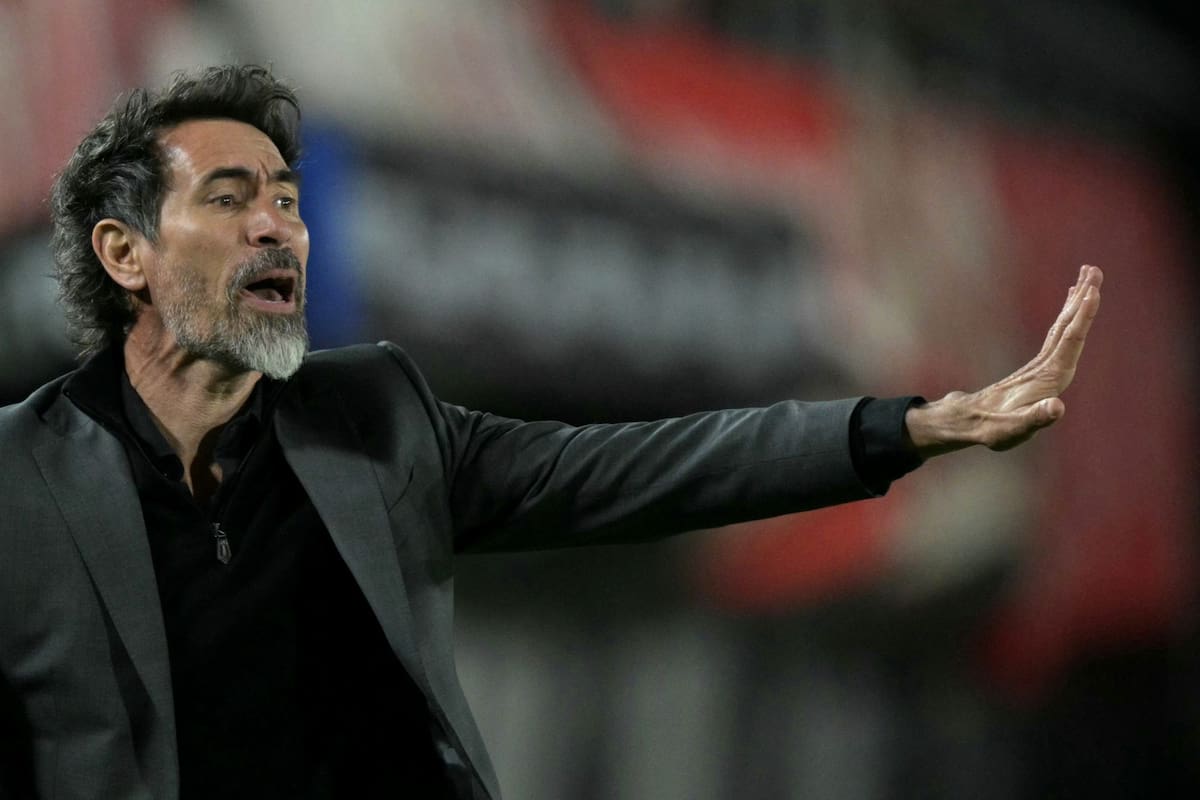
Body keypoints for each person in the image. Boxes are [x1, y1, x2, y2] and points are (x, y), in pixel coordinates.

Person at [0, 65, 1101, 800]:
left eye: (285, 198)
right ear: (124, 252)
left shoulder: (378, 421)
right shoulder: (21, 475)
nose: (275, 226)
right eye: (231, 196)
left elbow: (651, 467)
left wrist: (900, 427)